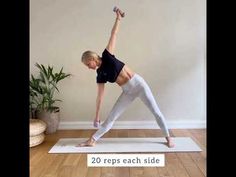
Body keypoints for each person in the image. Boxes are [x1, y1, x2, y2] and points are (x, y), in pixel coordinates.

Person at [78, 8, 175, 148]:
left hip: (139, 84)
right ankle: (92, 140)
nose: (88, 67)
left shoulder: (107, 56)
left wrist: (118, 18)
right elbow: (100, 96)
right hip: (127, 91)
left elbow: (114, 34)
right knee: (111, 117)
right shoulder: (99, 74)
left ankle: (168, 137)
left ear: (92, 58)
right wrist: (97, 115)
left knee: (156, 111)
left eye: (88, 64)